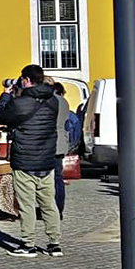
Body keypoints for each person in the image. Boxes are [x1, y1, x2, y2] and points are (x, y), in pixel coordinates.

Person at [0, 64, 65, 257]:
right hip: (46, 160)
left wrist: (6, 95)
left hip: (25, 160)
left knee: (26, 205)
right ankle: (55, 243)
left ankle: (28, 244)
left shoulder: (19, 103)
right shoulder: (53, 101)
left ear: (25, 80)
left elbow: (0, 116)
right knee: (48, 203)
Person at [51, 81, 80, 214]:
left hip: (48, 145)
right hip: (61, 145)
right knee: (58, 177)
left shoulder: (48, 103)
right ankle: (58, 207)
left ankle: (50, 208)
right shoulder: (66, 107)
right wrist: (70, 146)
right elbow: (74, 129)